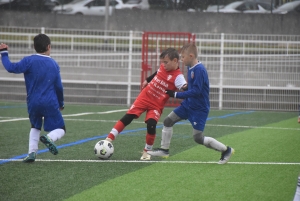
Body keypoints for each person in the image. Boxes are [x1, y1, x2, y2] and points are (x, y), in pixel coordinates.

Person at [147, 43, 234, 164]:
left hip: (199, 109)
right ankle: (164, 150)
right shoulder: (191, 67)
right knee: (168, 121)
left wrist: (176, 94)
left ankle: (226, 150)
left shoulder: (200, 70)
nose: (181, 60)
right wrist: (184, 87)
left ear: (191, 56)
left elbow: (197, 91)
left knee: (198, 138)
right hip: (188, 105)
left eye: (183, 57)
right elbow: (192, 87)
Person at [105, 48, 187, 160]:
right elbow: (157, 73)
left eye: (166, 62)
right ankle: (109, 138)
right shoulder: (163, 67)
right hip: (144, 97)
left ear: (175, 61)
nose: (163, 64)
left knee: (151, 124)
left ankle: (146, 151)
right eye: (162, 62)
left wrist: (190, 87)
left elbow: (185, 88)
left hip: (156, 104)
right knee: (129, 116)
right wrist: (147, 80)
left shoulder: (178, 77)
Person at [0, 34, 66, 163]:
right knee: (61, 128)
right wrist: (61, 102)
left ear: (34, 47)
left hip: (33, 102)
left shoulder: (28, 61)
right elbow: (59, 87)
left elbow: (11, 68)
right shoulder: (53, 64)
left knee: (35, 126)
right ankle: (50, 138)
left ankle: (31, 153)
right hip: (49, 102)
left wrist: (4, 53)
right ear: (48, 46)